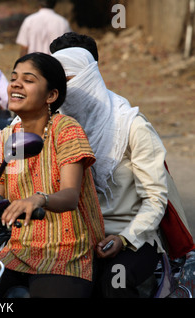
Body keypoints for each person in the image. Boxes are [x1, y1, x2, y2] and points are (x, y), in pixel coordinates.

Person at [0, 52, 105, 298]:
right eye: (14, 78)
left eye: (28, 80)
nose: (16, 84)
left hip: (66, 252)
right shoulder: (6, 137)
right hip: (17, 250)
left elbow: (70, 196)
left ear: (51, 96)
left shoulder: (66, 129)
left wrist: (39, 199)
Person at [52, 45, 167, 298]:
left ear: (89, 78)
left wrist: (124, 238)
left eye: (70, 81)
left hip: (130, 237)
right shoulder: (53, 125)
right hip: (73, 238)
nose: (66, 92)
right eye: (59, 84)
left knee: (114, 283)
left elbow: (155, 198)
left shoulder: (131, 126)